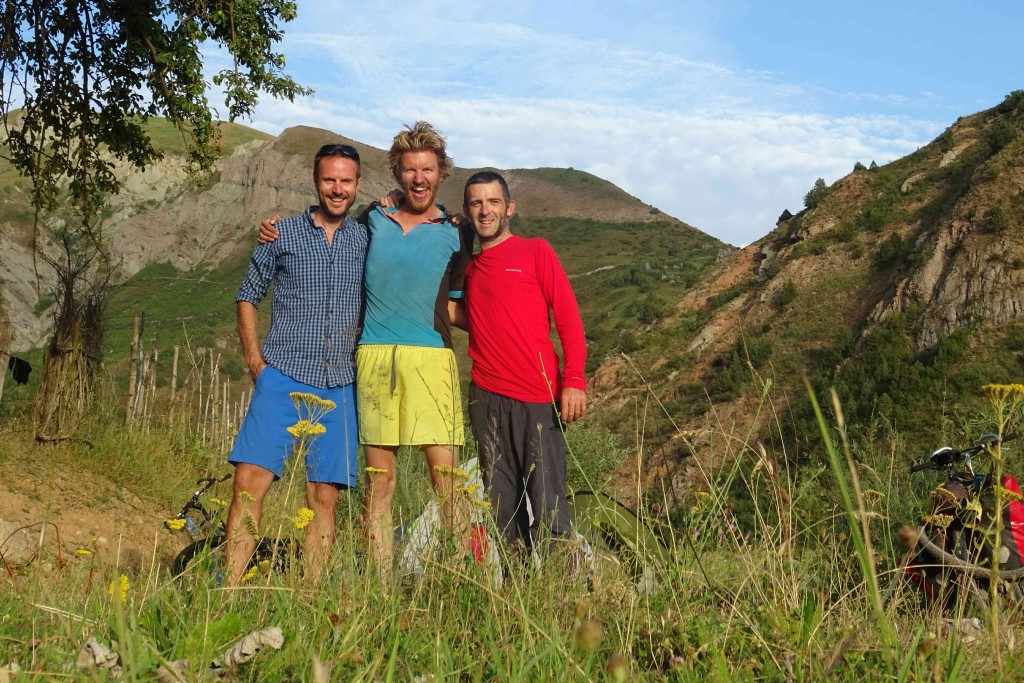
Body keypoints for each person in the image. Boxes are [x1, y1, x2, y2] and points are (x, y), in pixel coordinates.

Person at [260, 122, 475, 581]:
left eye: (428, 170)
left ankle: (461, 587)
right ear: (396, 173)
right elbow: (326, 232)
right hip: (374, 358)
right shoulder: (372, 220)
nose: (419, 178)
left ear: (441, 174)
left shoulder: (458, 231)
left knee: (448, 483)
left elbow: (461, 305)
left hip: (433, 361)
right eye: (410, 169)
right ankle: (378, 591)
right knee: (380, 487)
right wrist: (275, 230)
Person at [225, 143, 367, 584]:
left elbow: (411, 207)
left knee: (324, 496)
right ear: (315, 181)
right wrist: (255, 362)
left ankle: (311, 597)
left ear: (359, 185)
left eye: (346, 181)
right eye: (329, 179)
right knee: (250, 486)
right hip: (282, 376)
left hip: (340, 382)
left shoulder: (367, 237)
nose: (337, 189)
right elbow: (248, 295)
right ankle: (223, 593)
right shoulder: (281, 233)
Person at [458, 171, 588, 563]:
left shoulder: (536, 251)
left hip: (539, 398)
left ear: (509, 207)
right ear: (467, 212)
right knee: (501, 509)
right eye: (477, 203)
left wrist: (574, 380)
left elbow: (568, 318)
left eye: (493, 202)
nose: (485, 210)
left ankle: (557, 599)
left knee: (549, 507)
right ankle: (516, 602)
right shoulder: (469, 269)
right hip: (486, 400)